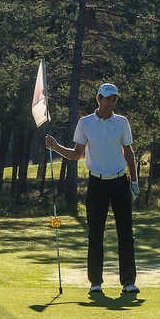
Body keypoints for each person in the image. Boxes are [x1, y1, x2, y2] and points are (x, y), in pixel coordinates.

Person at [44, 82, 139, 294]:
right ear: (98, 99)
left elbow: (129, 153)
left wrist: (134, 182)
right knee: (96, 233)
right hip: (97, 184)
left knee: (126, 233)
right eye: (108, 99)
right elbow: (77, 154)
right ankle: (95, 282)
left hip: (119, 182)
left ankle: (129, 282)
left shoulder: (121, 122)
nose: (112, 103)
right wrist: (56, 146)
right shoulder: (85, 123)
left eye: (115, 100)